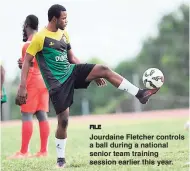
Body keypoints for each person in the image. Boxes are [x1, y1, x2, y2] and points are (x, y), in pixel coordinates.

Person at [16, 4, 159, 167]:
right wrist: (22, 87)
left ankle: (140, 94)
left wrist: (92, 74)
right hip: (57, 83)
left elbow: (72, 57)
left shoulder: (64, 34)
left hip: (71, 71)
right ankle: (60, 160)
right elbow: (27, 61)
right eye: (63, 18)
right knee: (63, 121)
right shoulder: (40, 37)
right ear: (54, 19)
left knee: (104, 69)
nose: (66, 21)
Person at [9, 15, 50, 159]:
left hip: (32, 81)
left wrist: (22, 86)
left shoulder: (28, 44)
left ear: (26, 25)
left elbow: (28, 66)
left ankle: (24, 152)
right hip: (44, 82)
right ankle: (43, 151)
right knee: (41, 114)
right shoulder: (43, 41)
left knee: (26, 115)